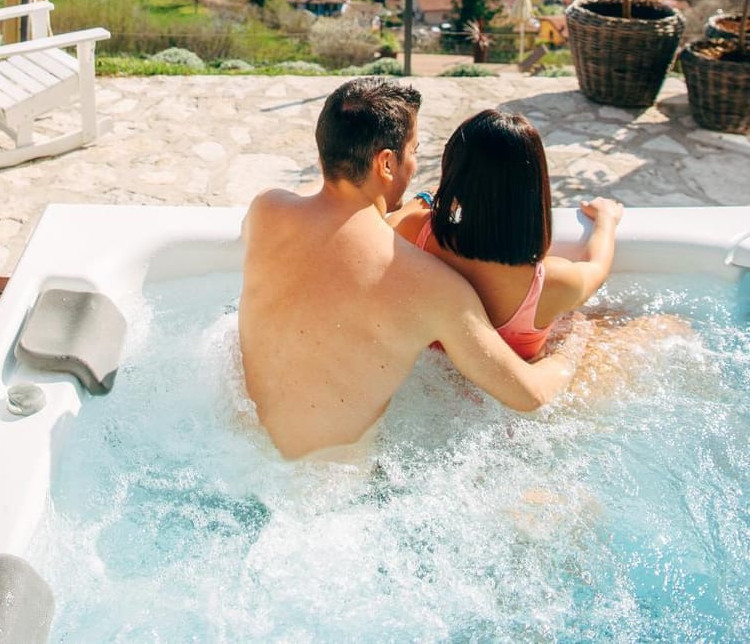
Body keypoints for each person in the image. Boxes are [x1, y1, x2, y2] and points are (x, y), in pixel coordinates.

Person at [239, 79, 586, 461]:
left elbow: (326, 204)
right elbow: (530, 396)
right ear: (387, 163)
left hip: (242, 449)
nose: (415, 164)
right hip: (336, 481)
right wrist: (570, 348)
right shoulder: (431, 285)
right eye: (413, 152)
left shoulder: (265, 211)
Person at [390, 109, 624, 359]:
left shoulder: (419, 231)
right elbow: (597, 268)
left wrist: (431, 195)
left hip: (433, 367)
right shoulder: (554, 281)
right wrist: (606, 220)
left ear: (453, 174)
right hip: (516, 377)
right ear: (535, 188)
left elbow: (388, 225)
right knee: (592, 321)